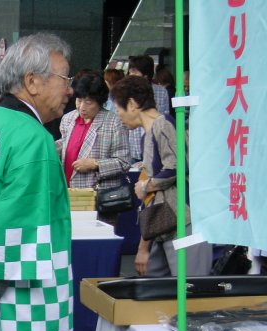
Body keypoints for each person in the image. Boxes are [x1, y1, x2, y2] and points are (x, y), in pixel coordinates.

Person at [0, 33, 74, 331]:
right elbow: (17, 238)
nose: (70, 89)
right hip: (21, 317)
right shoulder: (33, 140)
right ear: (32, 82)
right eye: (65, 78)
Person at [111, 75, 212, 276]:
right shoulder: (148, 134)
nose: (119, 116)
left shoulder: (163, 124)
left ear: (131, 104)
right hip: (165, 225)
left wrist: (146, 185)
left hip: (185, 220)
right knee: (162, 287)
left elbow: (175, 166)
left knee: (189, 288)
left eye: (118, 109)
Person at [57, 73, 129, 226]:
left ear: (100, 102)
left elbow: (123, 162)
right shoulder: (68, 119)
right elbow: (64, 145)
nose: (81, 107)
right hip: (68, 194)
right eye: (79, 100)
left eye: (88, 102)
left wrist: (95, 164)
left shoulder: (113, 122)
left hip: (95, 197)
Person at [126, 55, 170, 165]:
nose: (131, 76)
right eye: (130, 72)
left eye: (135, 72)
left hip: (154, 148)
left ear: (146, 75)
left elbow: (164, 117)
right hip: (133, 150)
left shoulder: (161, 92)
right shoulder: (125, 92)